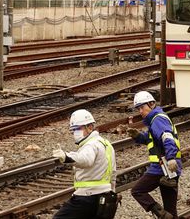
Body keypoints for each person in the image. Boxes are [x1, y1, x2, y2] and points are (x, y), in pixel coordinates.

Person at [52, 109, 118, 219]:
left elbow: (85, 159)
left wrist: (66, 156)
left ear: (90, 127)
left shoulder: (91, 144)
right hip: (104, 196)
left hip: (86, 197)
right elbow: (113, 171)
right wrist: (112, 192)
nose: (75, 133)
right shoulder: (106, 144)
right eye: (73, 130)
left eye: (77, 129)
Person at [126, 91, 182, 219]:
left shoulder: (158, 119)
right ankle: (166, 215)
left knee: (137, 191)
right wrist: (138, 136)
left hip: (161, 167)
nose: (140, 111)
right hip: (170, 169)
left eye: (142, 107)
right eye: (138, 108)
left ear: (151, 104)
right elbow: (152, 139)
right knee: (171, 210)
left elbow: (167, 138)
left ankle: (160, 214)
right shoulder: (156, 120)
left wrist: (171, 158)